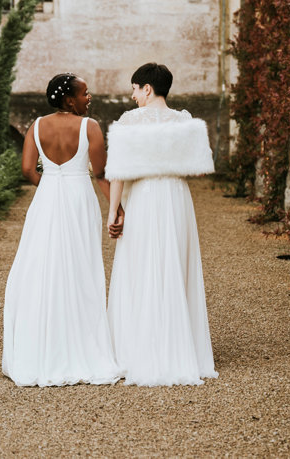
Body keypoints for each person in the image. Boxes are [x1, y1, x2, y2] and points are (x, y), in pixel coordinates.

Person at [2, 73, 125, 387]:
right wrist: (118, 208)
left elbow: (28, 169)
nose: (89, 97)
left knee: (43, 265)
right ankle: (80, 342)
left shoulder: (37, 126)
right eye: (85, 93)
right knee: (80, 267)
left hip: (47, 199)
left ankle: (42, 343)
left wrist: (50, 186)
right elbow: (101, 173)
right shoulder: (90, 127)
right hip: (78, 200)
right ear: (70, 99)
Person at [105, 63, 218, 386]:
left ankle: (135, 349)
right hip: (175, 196)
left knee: (139, 265)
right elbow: (199, 168)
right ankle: (179, 347)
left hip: (142, 196)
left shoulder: (128, 121)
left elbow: (119, 170)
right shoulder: (185, 120)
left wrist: (114, 211)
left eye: (134, 89)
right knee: (174, 264)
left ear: (148, 89)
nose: (132, 95)